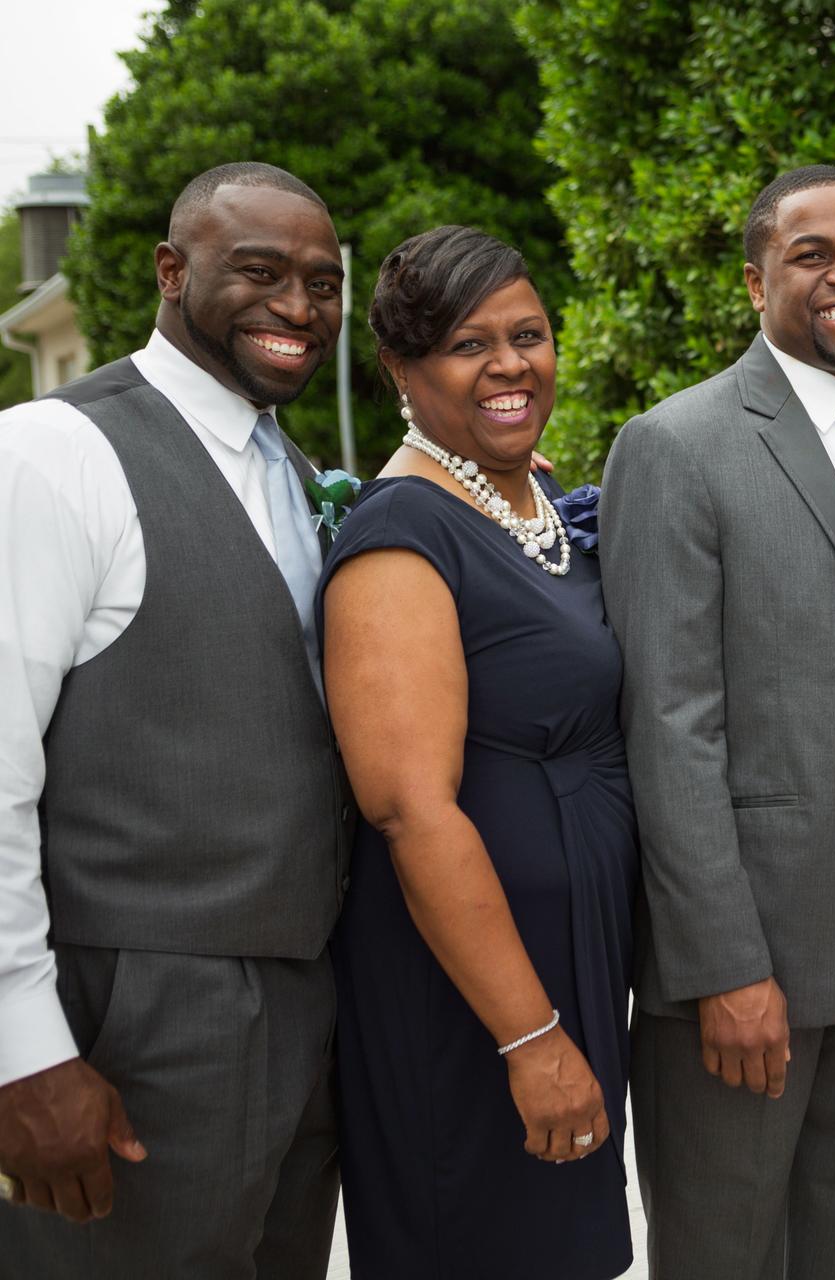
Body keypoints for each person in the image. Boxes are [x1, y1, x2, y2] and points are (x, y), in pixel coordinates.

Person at [0, 162, 350, 1277]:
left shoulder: (297, 472)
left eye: (323, 282)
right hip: (134, 1009)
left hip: (302, 997)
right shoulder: (56, 451)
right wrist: (23, 1050)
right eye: (259, 271)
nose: (298, 307)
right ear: (170, 269)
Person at [600, 164, 835, 1279]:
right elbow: (670, 722)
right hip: (750, 966)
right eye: (813, 254)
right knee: (725, 1256)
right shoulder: (677, 445)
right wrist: (723, 967)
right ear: (756, 283)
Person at [318, 225, 637, 1279]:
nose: (511, 365)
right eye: (468, 344)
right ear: (404, 372)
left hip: (566, 963)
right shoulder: (402, 537)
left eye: (529, 334)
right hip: (472, 1000)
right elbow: (412, 808)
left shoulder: (529, 501)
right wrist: (530, 1037)